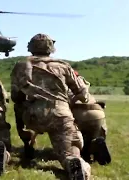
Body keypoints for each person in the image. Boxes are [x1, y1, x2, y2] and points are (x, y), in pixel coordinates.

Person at [10, 33, 91, 180]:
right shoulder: (63, 66)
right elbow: (81, 92)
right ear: (51, 48)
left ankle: (27, 142)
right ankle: (74, 162)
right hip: (60, 115)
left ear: (31, 47)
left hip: (33, 116)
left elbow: (16, 97)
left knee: (18, 108)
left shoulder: (21, 65)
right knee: (69, 151)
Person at [69, 72, 111, 165]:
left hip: (78, 113)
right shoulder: (84, 86)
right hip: (97, 113)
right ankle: (95, 144)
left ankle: (84, 152)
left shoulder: (64, 85)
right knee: (94, 136)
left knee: (76, 141)